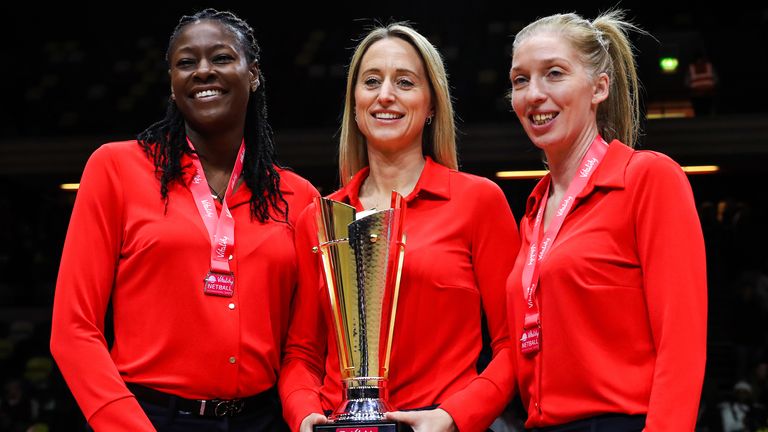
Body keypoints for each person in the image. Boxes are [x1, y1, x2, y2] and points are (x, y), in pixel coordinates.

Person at [49, 8, 318, 431]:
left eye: (223, 58)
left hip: (262, 419)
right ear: (173, 85)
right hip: (148, 417)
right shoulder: (116, 168)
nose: (203, 71)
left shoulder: (298, 198)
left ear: (254, 74)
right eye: (186, 63)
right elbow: (73, 329)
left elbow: (303, 346)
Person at [278, 23, 520, 432]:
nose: (385, 94)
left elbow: (512, 346)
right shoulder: (318, 219)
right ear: (354, 104)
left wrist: (452, 417)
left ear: (431, 106)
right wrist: (304, 415)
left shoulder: (479, 202)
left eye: (404, 82)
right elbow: (302, 354)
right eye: (371, 81)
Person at [506, 10, 707, 431]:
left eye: (554, 74)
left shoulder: (647, 177)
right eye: (520, 80)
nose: (534, 94)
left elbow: (682, 339)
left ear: (599, 87)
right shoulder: (534, 208)